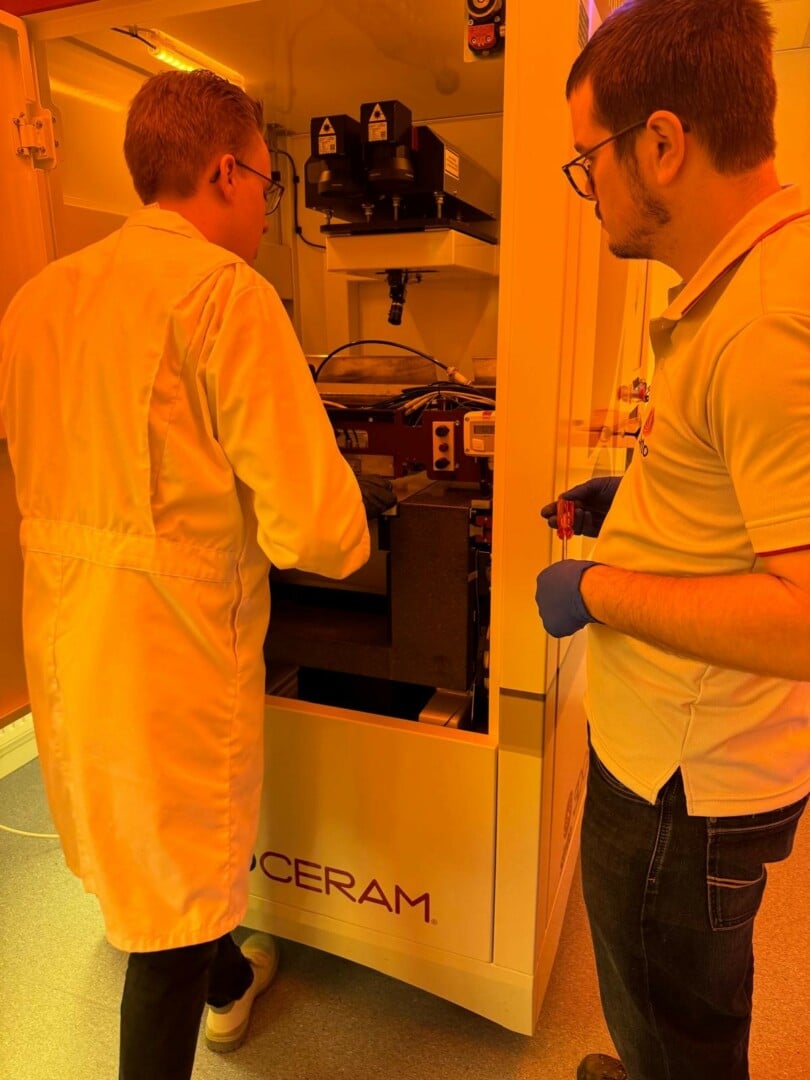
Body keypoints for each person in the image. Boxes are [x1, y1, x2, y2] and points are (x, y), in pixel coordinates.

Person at [0, 70, 370, 1080]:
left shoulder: (38, 299)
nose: (266, 205)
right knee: (167, 921)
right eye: (267, 182)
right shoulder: (225, 295)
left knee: (147, 865)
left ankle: (230, 980)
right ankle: (206, 986)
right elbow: (320, 531)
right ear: (225, 172)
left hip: (68, 642)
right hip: (168, 659)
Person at [535, 1, 810, 1078]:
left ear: (660, 142)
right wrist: (639, 500)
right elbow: (742, 504)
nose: (589, 186)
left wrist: (596, 587)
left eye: (587, 160)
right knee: (674, 994)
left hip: (684, 790)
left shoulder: (767, 322)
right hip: (692, 760)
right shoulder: (747, 284)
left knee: (676, 1021)